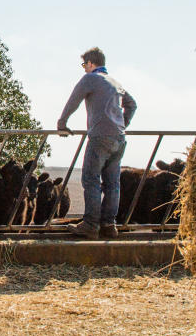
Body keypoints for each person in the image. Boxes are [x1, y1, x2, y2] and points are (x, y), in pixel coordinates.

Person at [56, 47, 136, 239]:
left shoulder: (90, 79)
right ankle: (109, 225)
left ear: (91, 63)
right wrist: (122, 124)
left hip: (100, 136)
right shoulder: (115, 82)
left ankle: (91, 225)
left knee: (90, 179)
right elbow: (132, 105)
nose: (84, 68)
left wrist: (62, 123)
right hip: (119, 138)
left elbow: (74, 100)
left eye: (84, 65)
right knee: (112, 183)